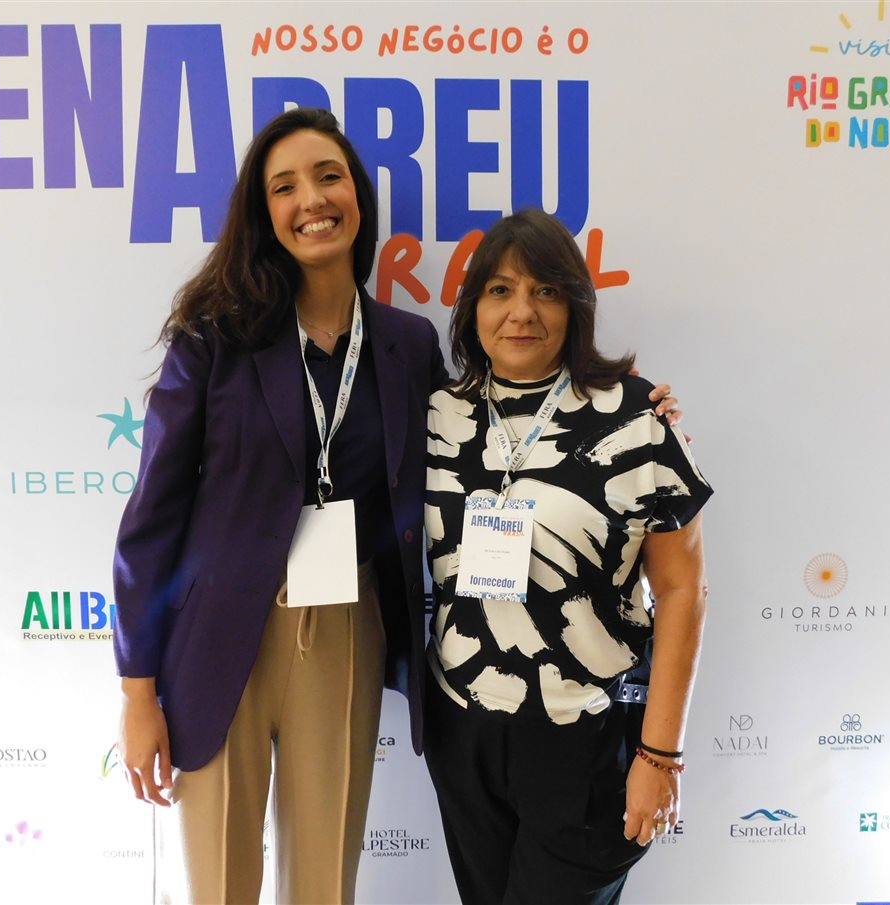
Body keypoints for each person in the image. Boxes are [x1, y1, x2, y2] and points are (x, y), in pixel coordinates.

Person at [113, 107, 683, 904]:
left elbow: (494, 425)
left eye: (328, 176)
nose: (311, 198)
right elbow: (150, 523)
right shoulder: (215, 337)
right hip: (215, 638)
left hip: (346, 624)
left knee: (324, 882)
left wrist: (628, 404)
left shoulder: (407, 343)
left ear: (358, 198)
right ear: (262, 211)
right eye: (284, 186)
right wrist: (138, 693)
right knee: (218, 883)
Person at [422, 208, 711, 905]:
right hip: (463, 729)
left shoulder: (637, 416)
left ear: (574, 306)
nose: (522, 311)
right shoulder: (435, 413)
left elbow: (682, 591)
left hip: (583, 736)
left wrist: (660, 753)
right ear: (472, 308)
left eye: (546, 290)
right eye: (499, 290)